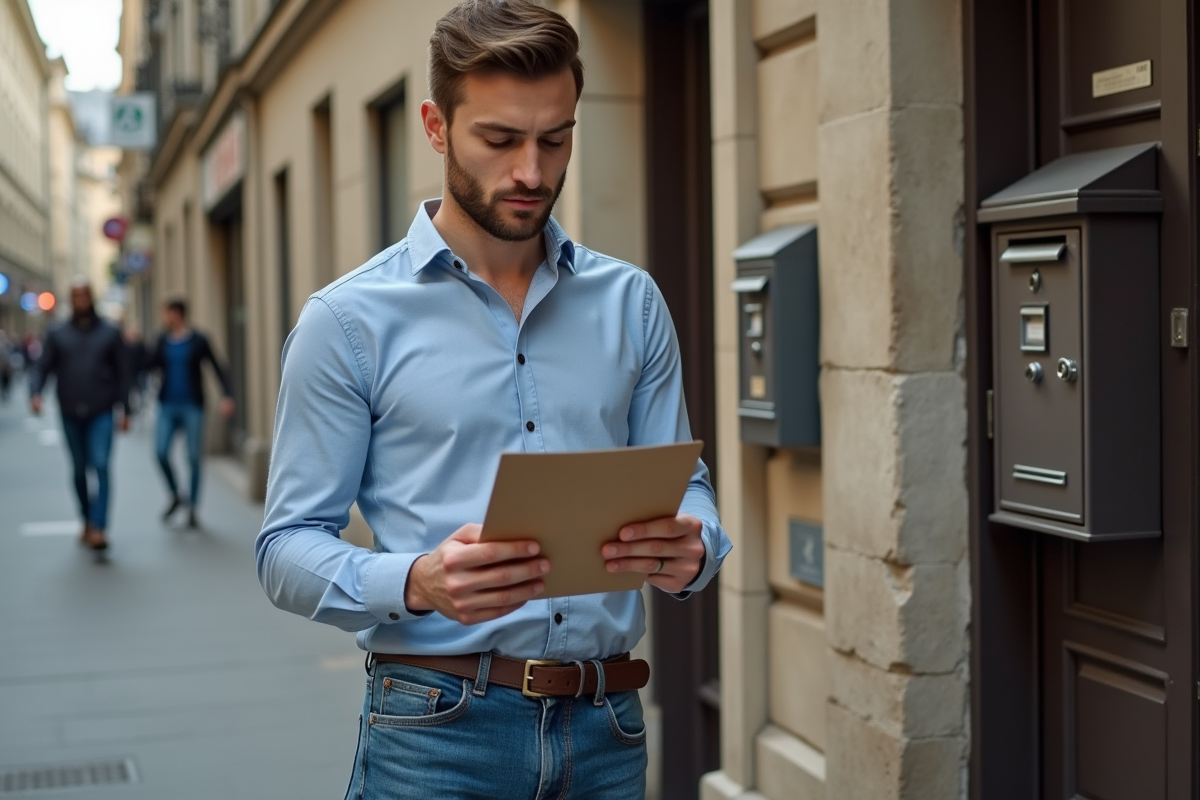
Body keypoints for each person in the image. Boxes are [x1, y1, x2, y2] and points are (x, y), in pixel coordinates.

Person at [255, 2, 731, 797]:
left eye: (556, 138)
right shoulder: (346, 322)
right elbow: (286, 548)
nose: (532, 173)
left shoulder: (633, 302)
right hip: (435, 732)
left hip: (608, 728)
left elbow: (689, 489)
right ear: (436, 127)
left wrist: (694, 548)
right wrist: (416, 580)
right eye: (501, 140)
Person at [28, 280, 131, 552]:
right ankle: (86, 518)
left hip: (102, 411)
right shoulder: (57, 333)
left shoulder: (109, 332)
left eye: (84, 294)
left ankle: (98, 526)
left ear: (92, 297)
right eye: (75, 295)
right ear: (70, 300)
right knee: (78, 470)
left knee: (101, 464)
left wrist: (126, 409)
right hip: (71, 411)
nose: (80, 299)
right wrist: (35, 393)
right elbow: (42, 367)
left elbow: (124, 374)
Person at [147, 298, 234, 528]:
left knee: (194, 457)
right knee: (160, 452)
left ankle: (193, 507)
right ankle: (176, 494)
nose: (165, 318)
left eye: (168, 313)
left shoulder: (198, 340)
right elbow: (149, 364)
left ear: (178, 314)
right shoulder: (162, 340)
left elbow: (217, 366)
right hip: (167, 405)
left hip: (192, 406)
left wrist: (227, 395)